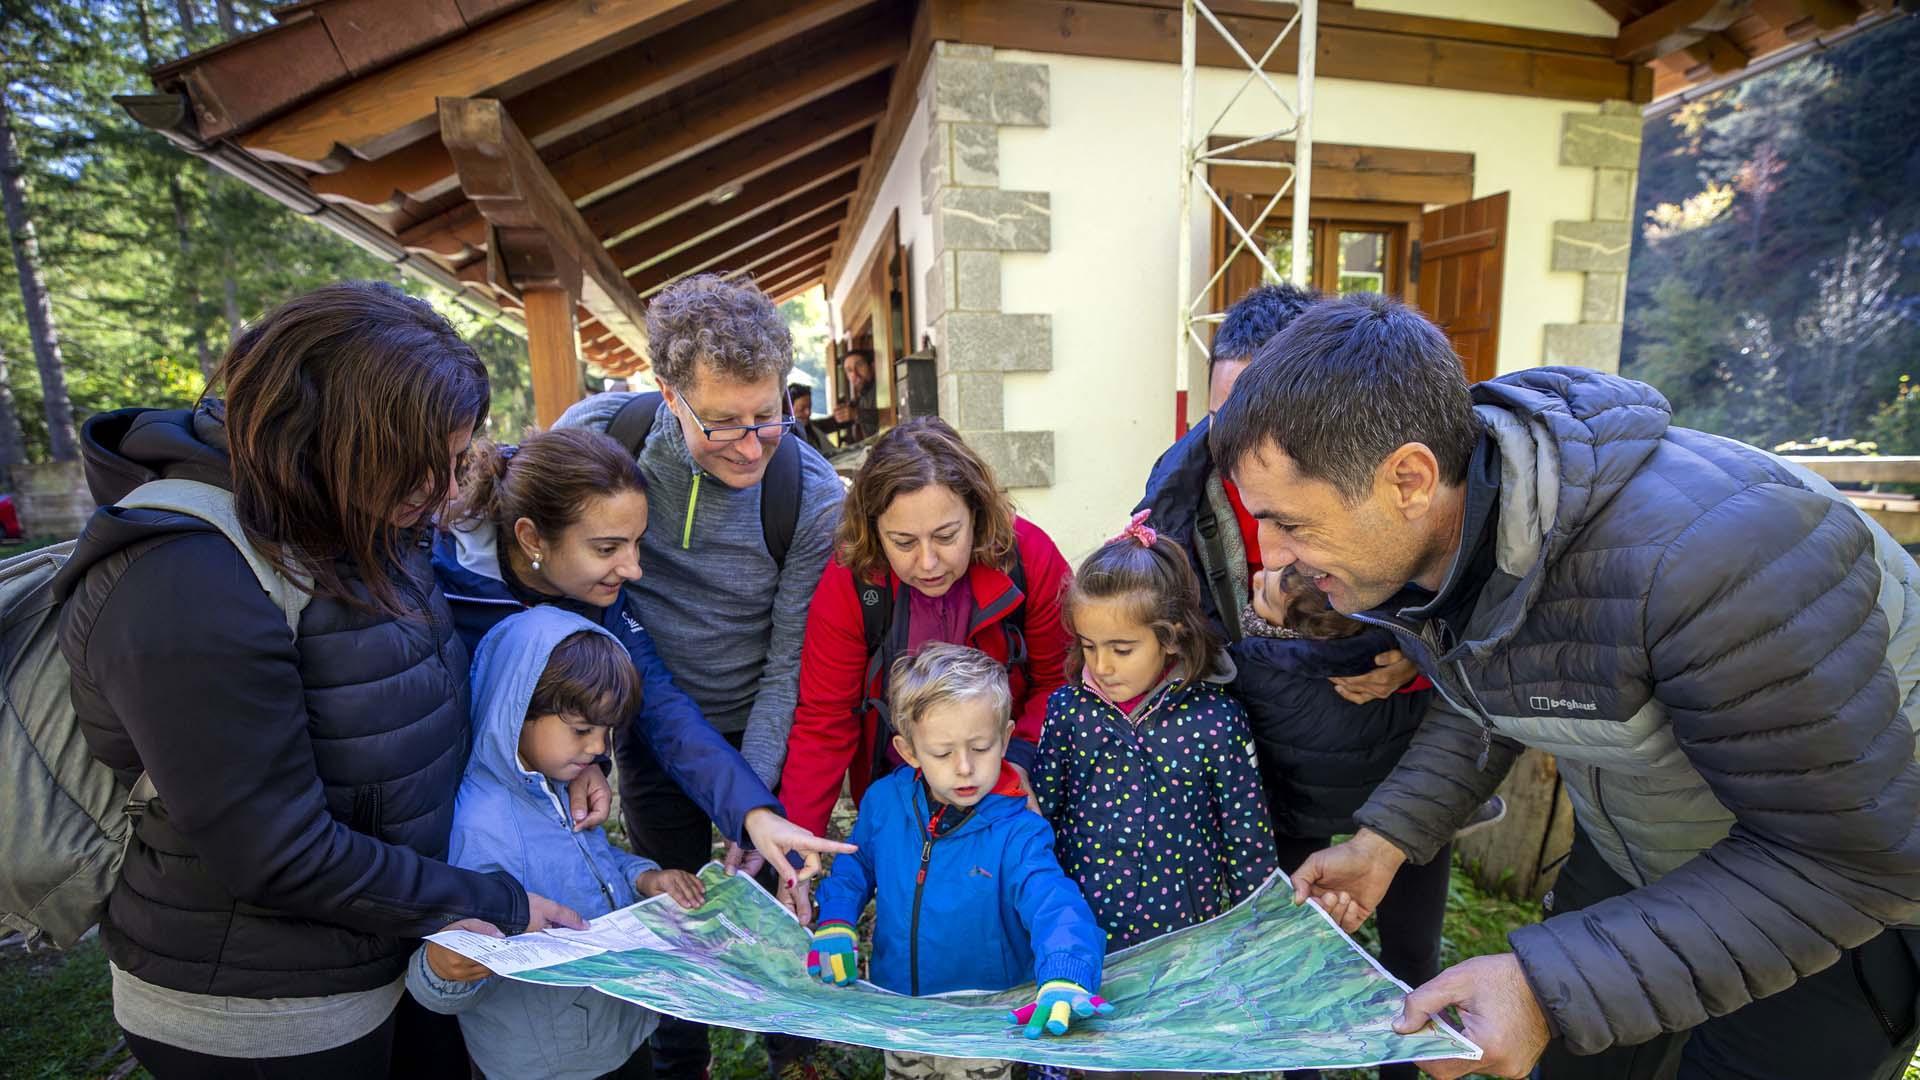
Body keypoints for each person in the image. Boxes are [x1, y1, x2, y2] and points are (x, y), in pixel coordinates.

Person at [1210, 291, 1920, 1080]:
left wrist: (1545, 991)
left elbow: (1849, 859)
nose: (1273, 555)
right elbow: (1493, 693)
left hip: (1832, 904)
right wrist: (1386, 843)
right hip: (1638, 847)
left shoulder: (1721, 559)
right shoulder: (1448, 533)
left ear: (1409, 479)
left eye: (1291, 523)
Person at [52, 282, 584, 1078]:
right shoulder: (185, 585)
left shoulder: (353, 509)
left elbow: (414, 680)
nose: (448, 493)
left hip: (394, 945)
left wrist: (556, 747)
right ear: (337, 438)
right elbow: (277, 853)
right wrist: (491, 901)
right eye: (430, 467)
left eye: (456, 462)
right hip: (268, 1012)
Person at [557, 274, 845, 1078]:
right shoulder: (601, 438)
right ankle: (680, 1058)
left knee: (778, 894)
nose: (751, 446)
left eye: (768, 417)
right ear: (668, 395)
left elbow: (789, 662)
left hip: (759, 713)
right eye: (721, 424)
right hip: (648, 715)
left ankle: (794, 1051)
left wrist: (749, 799)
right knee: (672, 900)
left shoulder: (809, 496)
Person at [434, 427, 851, 885]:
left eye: (638, 543)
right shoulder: (436, 583)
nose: (633, 569)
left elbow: (664, 708)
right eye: (607, 548)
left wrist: (753, 813)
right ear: (532, 538)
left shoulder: (599, 599)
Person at [408, 607, 709, 1080]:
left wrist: (645, 878)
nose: (599, 749)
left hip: (615, 1030)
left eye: (608, 732)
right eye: (583, 730)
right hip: (550, 1064)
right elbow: (449, 967)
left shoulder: (559, 783)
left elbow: (595, 864)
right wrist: (442, 971)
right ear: (517, 710)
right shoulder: (479, 827)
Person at [808, 644, 1112, 1080]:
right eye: (942, 752)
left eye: (981, 747)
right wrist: (836, 919)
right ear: (909, 750)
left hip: (986, 1025)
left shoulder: (1018, 831)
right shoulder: (884, 803)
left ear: (1005, 738)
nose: (965, 767)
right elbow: (854, 868)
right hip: (903, 1013)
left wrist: (1065, 974)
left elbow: (1055, 904)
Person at [779, 416, 1072, 851]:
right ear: (874, 531)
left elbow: (1061, 682)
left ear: (976, 514)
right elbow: (825, 721)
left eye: (946, 536)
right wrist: (797, 840)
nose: (928, 562)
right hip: (900, 797)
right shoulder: (851, 582)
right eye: (903, 542)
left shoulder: (1029, 558)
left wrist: (1019, 759)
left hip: (1007, 782)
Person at [1235, 566, 1455, 1080]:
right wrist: (1415, 659)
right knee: (1413, 951)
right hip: (1403, 805)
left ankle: (1303, 1070)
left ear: (1296, 627)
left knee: (1294, 954)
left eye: (1267, 589)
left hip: (1295, 808)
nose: (1259, 573)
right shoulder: (1394, 652)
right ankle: (1402, 1067)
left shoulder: (1248, 663)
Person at [1031, 510, 1276, 951]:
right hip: (1082, 933)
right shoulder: (1069, 711)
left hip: (1187, 937)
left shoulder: (1216, 720)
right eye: (1088, 646)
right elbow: (1041, 816)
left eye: (1122, 649)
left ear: (1170, 637)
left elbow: (1246, 837)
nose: (1101, 666)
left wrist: (1255, 934)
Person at [790, 383, 834, 456]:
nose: (808, 413)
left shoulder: (814, 431)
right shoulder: (787, 439)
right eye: (801, 409)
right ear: (788, 410)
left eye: (809, 407)